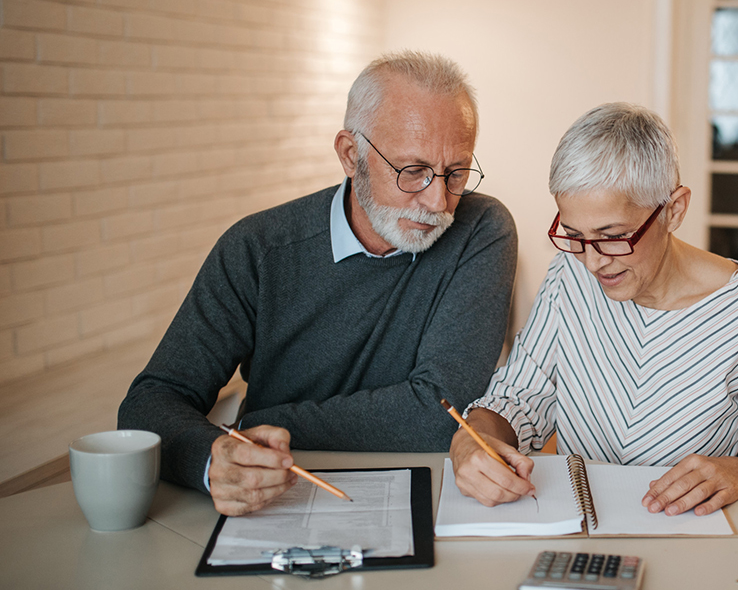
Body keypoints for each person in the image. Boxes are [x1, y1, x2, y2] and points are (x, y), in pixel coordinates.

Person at [118, 52, 517, 516]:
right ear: (352, 156)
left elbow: (441, 414)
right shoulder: (257, 249)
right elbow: (150, 402)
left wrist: (261, 422)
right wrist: (214, 459)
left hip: (429, 494)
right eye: (413, 171)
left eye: (457, 172)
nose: (438, 200)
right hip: (275, 498)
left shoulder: (481, 229)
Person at [450, 103, 738, 518]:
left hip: (693, 542)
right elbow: (518, 397)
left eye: (613, 236)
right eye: (574, 235)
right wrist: (473, 435)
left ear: (674, 210)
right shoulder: (570, 276)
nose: (593, 262)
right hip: (582, 534)